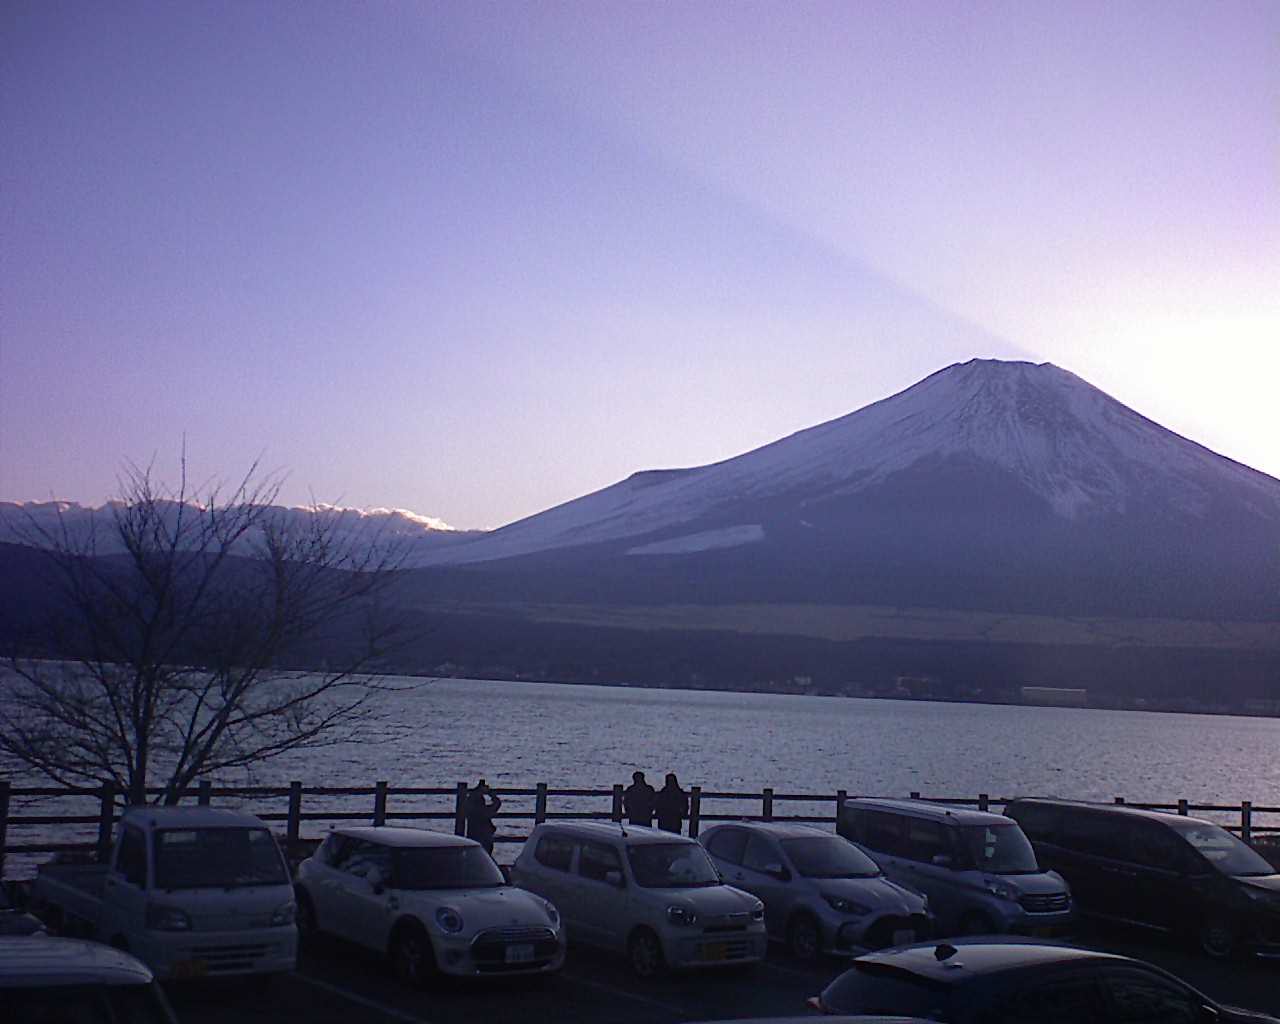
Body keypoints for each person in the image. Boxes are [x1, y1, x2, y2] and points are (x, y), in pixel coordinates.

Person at [464, 778, 502, 855]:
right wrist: (491, 794)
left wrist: (478, 791)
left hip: (474, 839)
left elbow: (470, 799)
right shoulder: (483, 811)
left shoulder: (470, 809)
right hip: (484, 840)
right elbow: (496, 804)